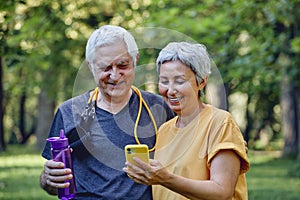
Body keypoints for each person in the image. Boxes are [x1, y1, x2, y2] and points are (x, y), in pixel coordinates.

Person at [39, 25, 175, 199]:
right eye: (105, 67)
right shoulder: (69, 112)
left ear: (135, 60)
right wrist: (48, 178)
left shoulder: (159, 108)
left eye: (122, 65)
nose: (115, 75)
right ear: (91, 66)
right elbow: (53, 185)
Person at [123, 42, 250, 200]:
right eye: (164, 81)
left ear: (201, 81)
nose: (170, 90)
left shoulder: (220, 123)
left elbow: (222, 192)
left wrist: (166, 179)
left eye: (179, 81)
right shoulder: (164, 130)